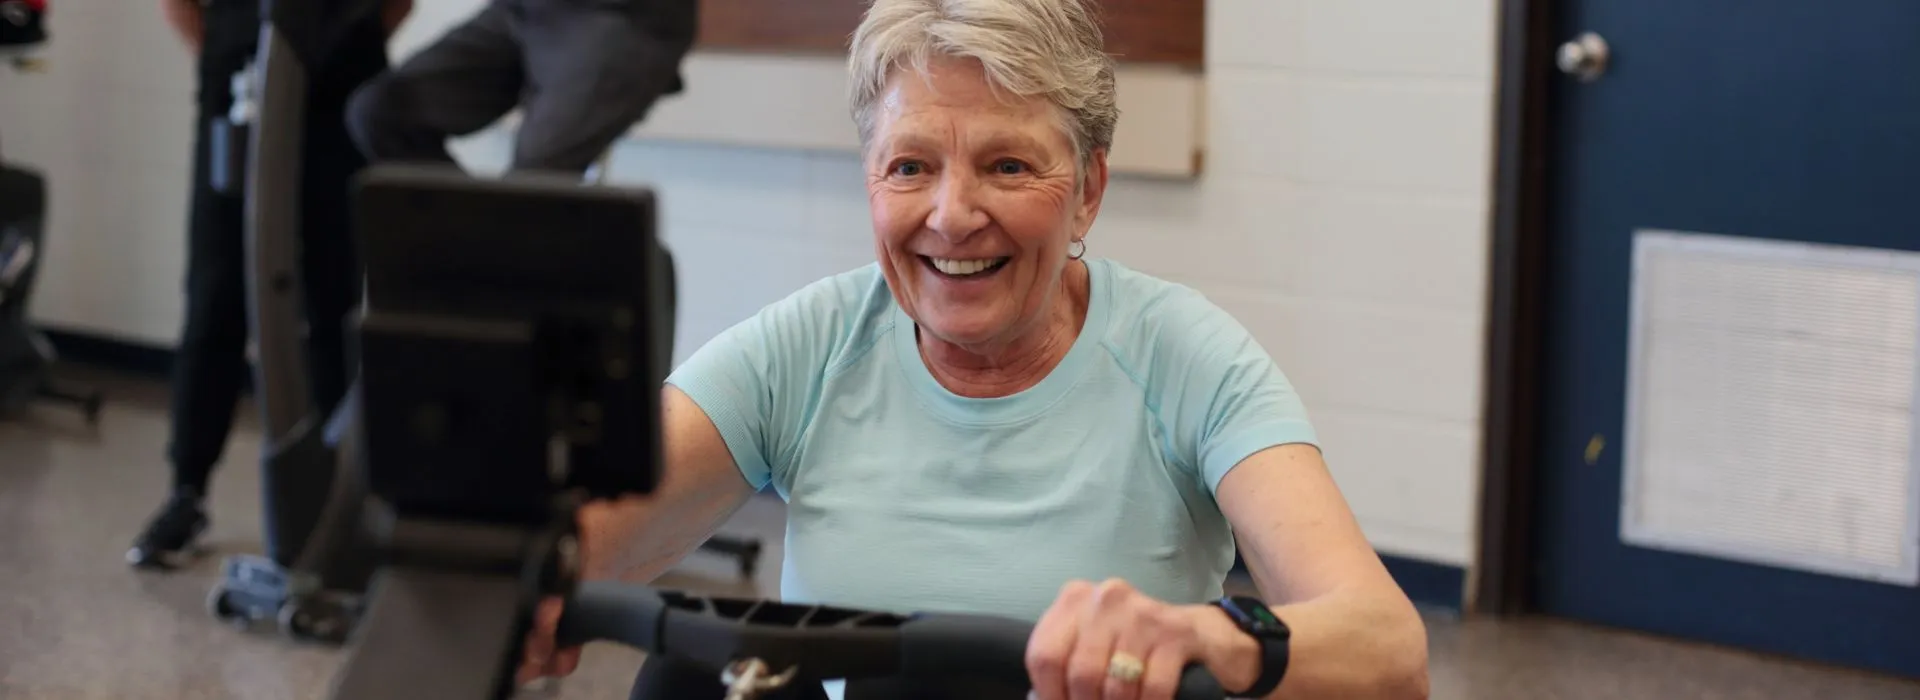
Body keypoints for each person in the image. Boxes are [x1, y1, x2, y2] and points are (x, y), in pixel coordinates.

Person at [518, 0, 1432, 697]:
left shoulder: (1186, 357)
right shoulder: (806, 346)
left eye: (1007, 165)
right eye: (911, 166)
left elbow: (1389, 646)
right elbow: (580, 550)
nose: (953, 216)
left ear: (1086, 191)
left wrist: (1220, 637)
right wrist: (514, 587)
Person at [127, 0, 410, 569]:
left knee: (333, 300)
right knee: (215, 295)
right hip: (240, 80)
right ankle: (187, 490)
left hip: (340, 90)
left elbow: (397, 5)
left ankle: (337, 502)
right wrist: (227, 54)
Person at [342, 0, 697, 175]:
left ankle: (493, 267)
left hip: (621, 15)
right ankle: (470, 249)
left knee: (535, 177)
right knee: (380, 111)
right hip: (528, 9)